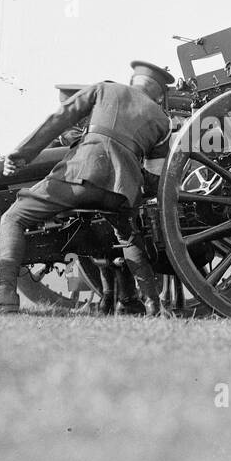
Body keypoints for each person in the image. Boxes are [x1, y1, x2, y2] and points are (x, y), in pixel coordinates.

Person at [0, 62, 174, 315]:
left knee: (14, 217)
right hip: (122, 190)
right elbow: (155, 177)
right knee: (128, 237)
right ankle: (153, 304)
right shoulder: (163, 121)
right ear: (159, 93)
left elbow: (61, 117)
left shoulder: (105, 89)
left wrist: (22, 153)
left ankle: (4, 293)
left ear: (132, 80)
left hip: (82, 171)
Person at [48, 82, 142, 315]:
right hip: (90, 196)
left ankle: (113, 299)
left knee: (105, 252)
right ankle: (114, 299)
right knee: (101, 252)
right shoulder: (73, 132)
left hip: (93, 195)